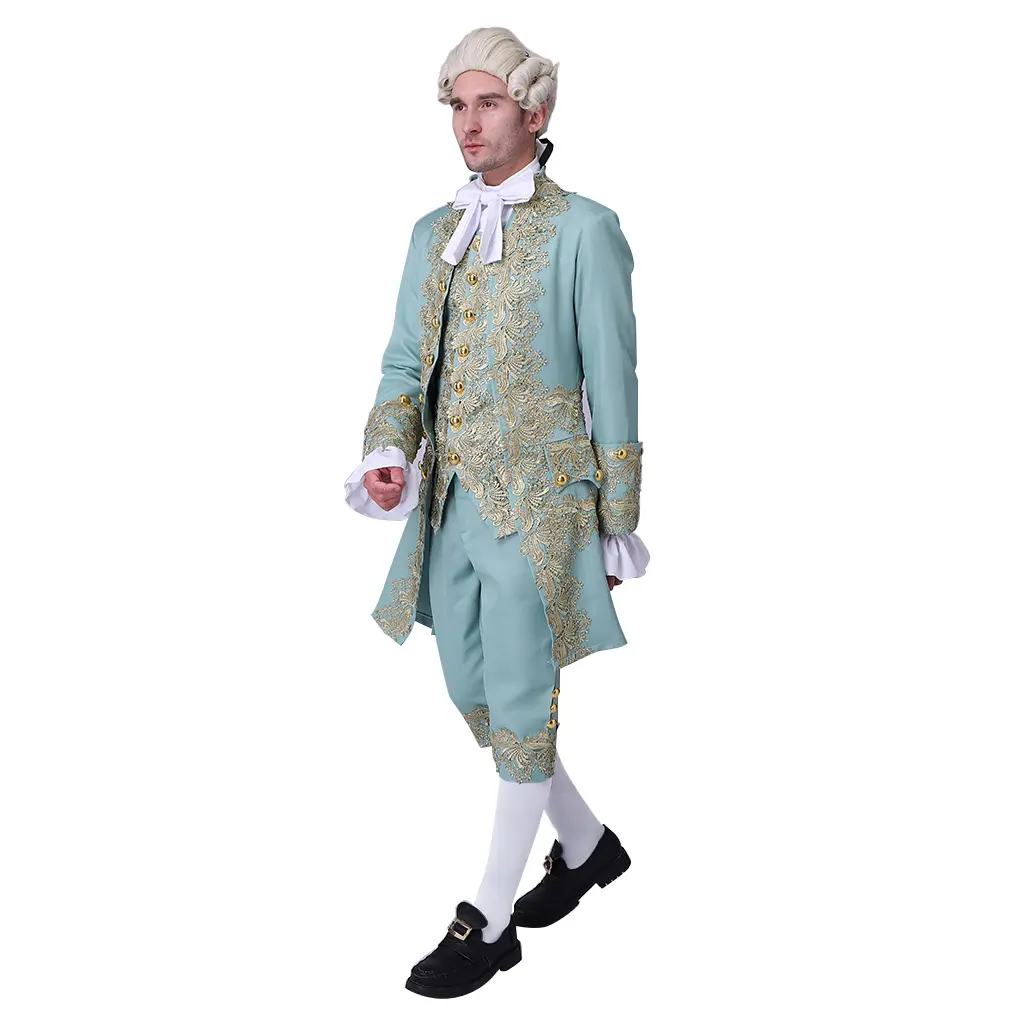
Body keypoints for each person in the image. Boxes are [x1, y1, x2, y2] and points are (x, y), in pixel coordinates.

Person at [344, 26, 648, 999]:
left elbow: (613, 380)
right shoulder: (430, 234)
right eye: (457, 107)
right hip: (451, 505)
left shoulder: (585, 230)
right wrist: (388, 453)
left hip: (546, 506)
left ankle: (490, 917)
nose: (467, 125)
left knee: (520, 697)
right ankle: (587, 844)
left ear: (535, 112)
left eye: (487, 104)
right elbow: (404, 363)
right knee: (470, 690)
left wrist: (616, 522)